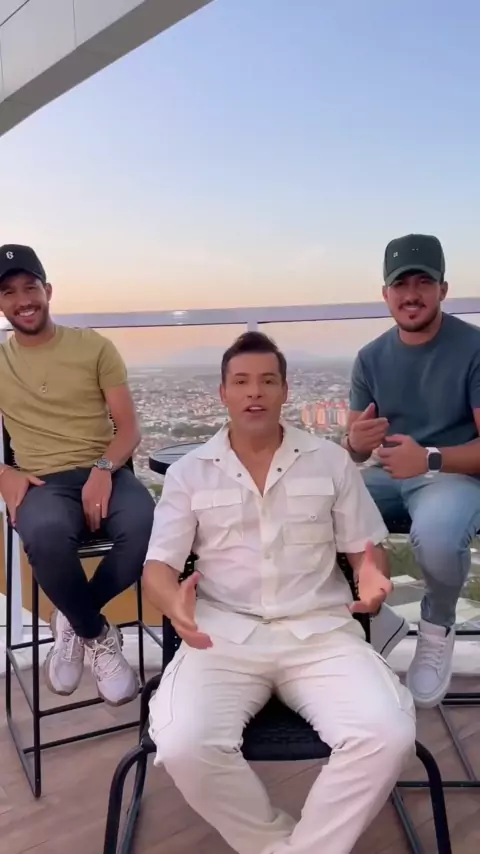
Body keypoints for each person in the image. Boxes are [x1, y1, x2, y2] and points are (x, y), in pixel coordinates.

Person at [143, 331, 415, 854]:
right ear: (223, 392)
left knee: (388, 733)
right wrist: (172, 602)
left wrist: (371, 575)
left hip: (320, 632)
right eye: (242, 381)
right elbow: (159, 566)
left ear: (285, 391)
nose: (255, 392)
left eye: (268, 381)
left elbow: (365, 548)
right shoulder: (189, 473)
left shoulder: (330, 461)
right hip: (223, 635)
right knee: (181, 744)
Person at [0, 244, 154, 706]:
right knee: (46, 535)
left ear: (48, 291)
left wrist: (104, 469)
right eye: (9, 292)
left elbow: (129, 428)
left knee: (145, 525)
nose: (23, 300)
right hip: (40, 482)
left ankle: (72, 617)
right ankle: (97, 633)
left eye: (30, 287)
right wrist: (3, 472)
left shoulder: (93, 347)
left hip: (104, 471)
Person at [344, 232, 480, 709]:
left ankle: (437, 624)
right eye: (401, 284)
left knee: (437, 537)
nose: (412, 294)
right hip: (389, 475)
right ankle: (370, 621)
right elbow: (353, 450)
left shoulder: (473, 347)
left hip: (454, 475)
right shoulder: (370, 358)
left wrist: (431, 458)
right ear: (386, 294)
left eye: (424, 282)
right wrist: (355, 444)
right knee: (315, 510)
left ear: (443, 289)